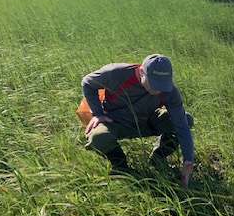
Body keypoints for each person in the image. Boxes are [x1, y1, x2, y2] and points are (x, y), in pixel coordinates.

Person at [81, 54, 194, 187]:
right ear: (141, 72)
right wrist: (98, 114)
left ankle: (158, 159)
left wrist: (188, 160)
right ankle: (120, 166)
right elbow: (87, 82)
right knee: (98, 137)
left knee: (187, 119)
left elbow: (182, 127)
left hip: (146, 122)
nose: (157, 90)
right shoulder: (116, 73)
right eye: (153, 83)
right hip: (115, 122)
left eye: (162, 85)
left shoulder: (170, 91)